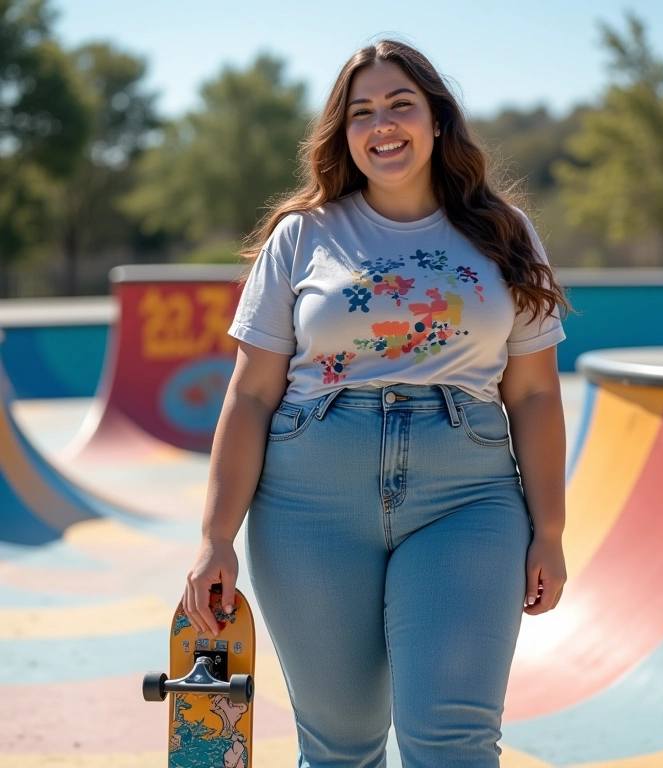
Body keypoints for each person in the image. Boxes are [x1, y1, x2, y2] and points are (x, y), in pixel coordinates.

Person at [182, 39, 569, 768]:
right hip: (308, 505)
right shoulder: (301, 236)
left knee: (450, 743)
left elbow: (537, 393)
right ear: (344, 134)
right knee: (341, 747)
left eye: (400, 105)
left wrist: (549, 530)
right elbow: (252, 392)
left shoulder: (505, 233)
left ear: (437, 121)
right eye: (362, 112)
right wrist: (214, 537)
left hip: (468, 498)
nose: (382, 124)